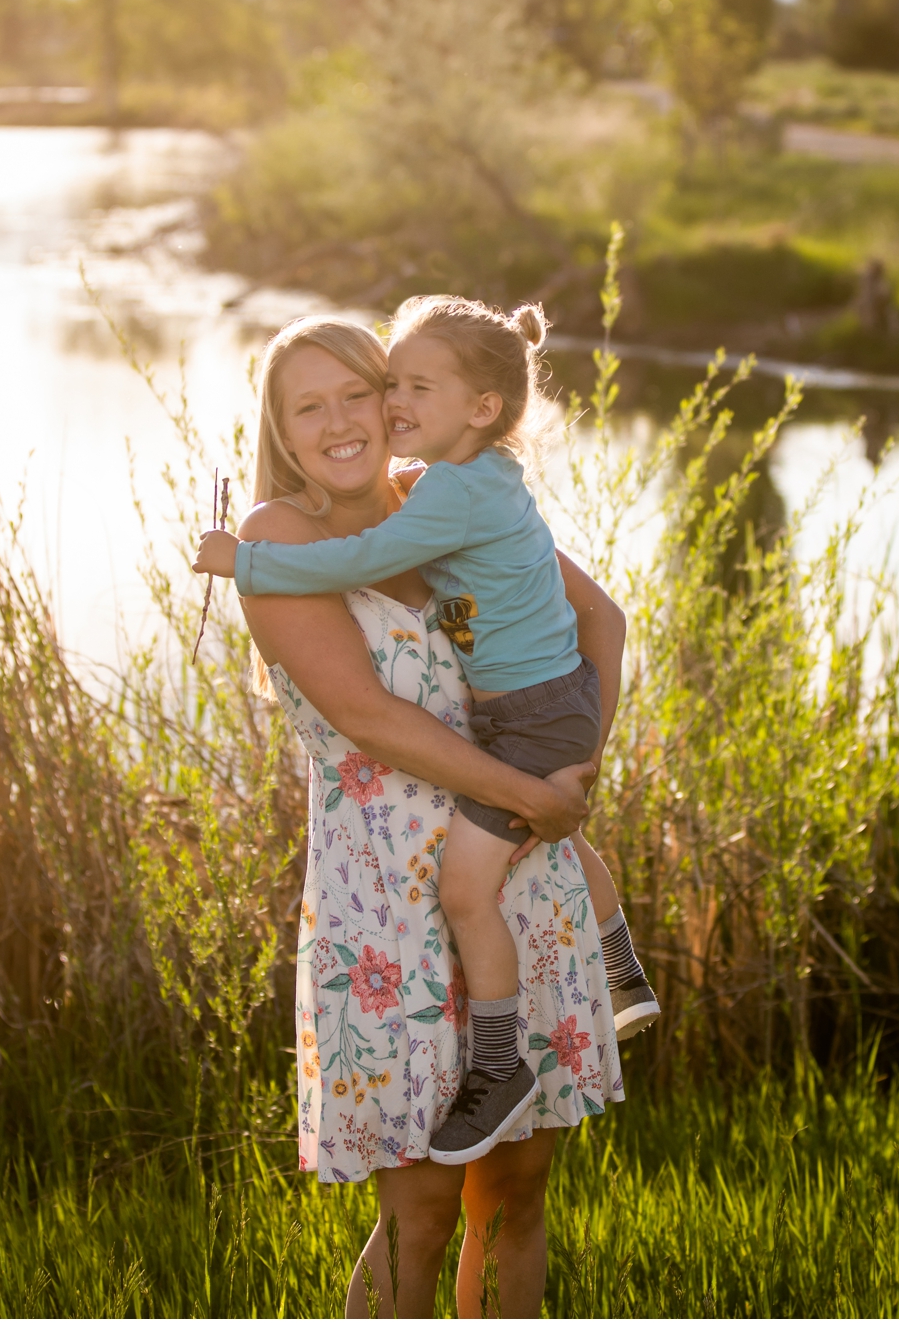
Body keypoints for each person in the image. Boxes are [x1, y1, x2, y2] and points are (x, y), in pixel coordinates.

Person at [199, 296, 658, 1167]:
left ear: (394, 405)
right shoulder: (277, 534)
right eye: (308, 406)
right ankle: (603, 974)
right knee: (418, 1210)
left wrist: (576, 766)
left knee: (520, 1198)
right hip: (388, 904)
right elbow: (369, 716)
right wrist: (537, 791)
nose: (341, 420)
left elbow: (599, 614)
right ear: (283, 433)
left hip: (511, 869)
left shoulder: (439, 501)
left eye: (360, 392)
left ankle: (609, 968)